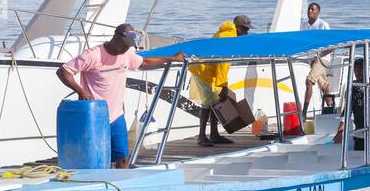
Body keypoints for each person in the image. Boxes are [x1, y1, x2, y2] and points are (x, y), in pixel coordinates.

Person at [56, 23, 186, 167]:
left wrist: (172, 58)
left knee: (123, 159)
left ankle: (119, 186)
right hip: (95, 117)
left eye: (128, 45)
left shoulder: (126, 54)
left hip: (117, 116)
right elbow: (63, 71)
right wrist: (81, 91)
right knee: (99, 160)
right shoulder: (93, 55)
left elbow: (144, 62)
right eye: (124, 44)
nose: (125, 48)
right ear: (115, 37)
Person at [188, 14, 251, 146]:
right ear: (238, 28)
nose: (246, 33)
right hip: (203, 71)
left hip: (206, 70)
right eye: (245, 29)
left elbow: (221, 65)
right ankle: (201, 136)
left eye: (248, 29)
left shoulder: (227, 34)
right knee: (207, 104)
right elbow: (222, 64)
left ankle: (214, 135)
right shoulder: (228, 38)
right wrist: (223, 86)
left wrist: (222, 86)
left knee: (214, 102)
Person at [301, 1, 331, 118]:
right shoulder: (304, 25)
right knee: (323, 84)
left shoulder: (323, 25)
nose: (310, 11)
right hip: (309, 58)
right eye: (309, 9)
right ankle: (330, 106)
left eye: (313, 10)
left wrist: (319, 56)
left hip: (322, 58)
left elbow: (332, 46)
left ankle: (304, 112)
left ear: (318, 12)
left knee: (309, 81)